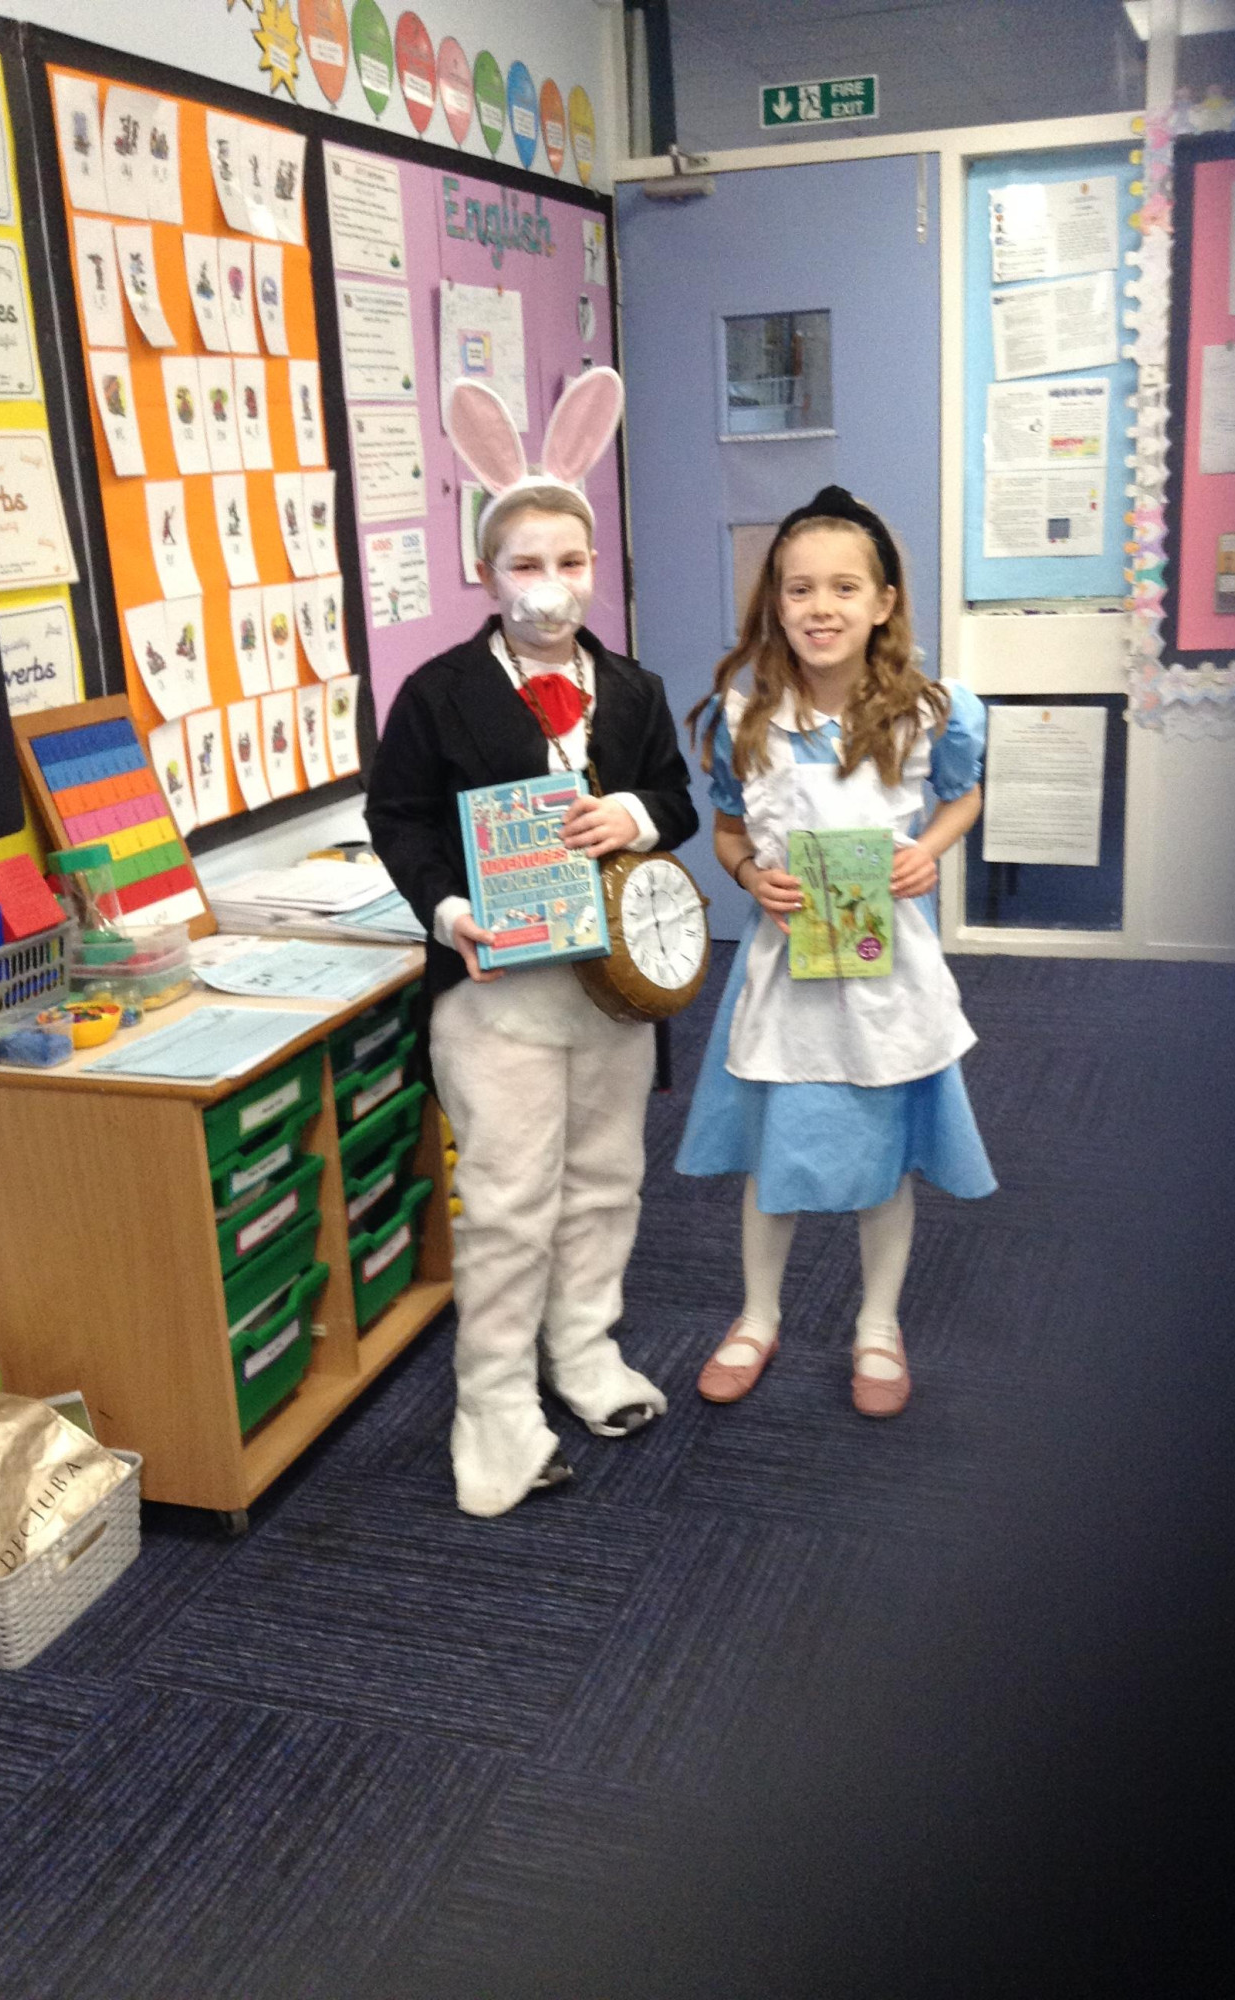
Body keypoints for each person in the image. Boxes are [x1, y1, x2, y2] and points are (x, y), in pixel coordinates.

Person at [366, 368, 698, 1518]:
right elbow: (399, 815)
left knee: (606, 1180)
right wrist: (445, 906)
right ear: (485, 572)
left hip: (612, 989)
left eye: (568, 561)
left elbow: (678, 796)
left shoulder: (634, 688)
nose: (549, 586)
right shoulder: (437, 692)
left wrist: (637, 814)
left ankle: (586, 1350)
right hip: (496, 988)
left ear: (595, 564)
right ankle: (495, 1405)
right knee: (510, 1199)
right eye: (523, 564)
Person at [675, 485, 995, 1416]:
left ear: (884, 602)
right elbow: (728, 831)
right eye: (800, 589)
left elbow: (963, 797)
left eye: (845, 588)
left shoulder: (933, 712)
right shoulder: (744, 718)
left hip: (887, 970)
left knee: (882, 1157)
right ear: (776, 604)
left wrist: (927, 853)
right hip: (786, 974)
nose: (822, 608)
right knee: (775, 1154)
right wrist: (748, 877)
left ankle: (877, 1325)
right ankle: (758, 1316)